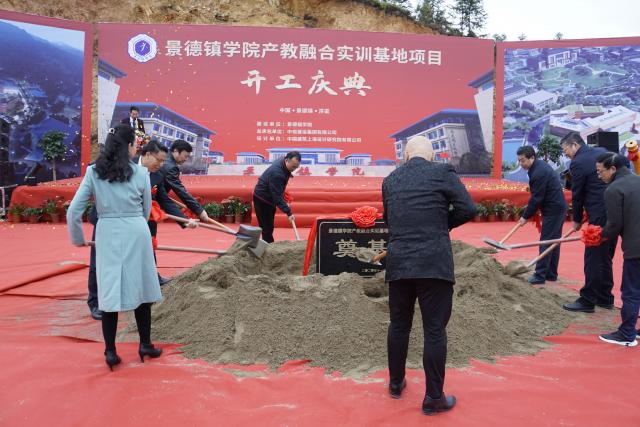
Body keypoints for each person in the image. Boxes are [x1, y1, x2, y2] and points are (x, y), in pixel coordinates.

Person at [381, 136, 476, 415]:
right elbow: (468, 208)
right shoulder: (442, 172)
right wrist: (441, 225)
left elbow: (389, 218)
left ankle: (395, 383)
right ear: (432, 156)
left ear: (406, 156)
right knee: (434, 330)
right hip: (434, 263)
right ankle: (434, 397)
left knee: (399, 325)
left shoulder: (391, 180)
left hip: (399, 262)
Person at [67, 124, 162, 371]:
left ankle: (110, 351)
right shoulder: (140, 173)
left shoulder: (93, 172)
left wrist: (78, 238)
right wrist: (135, 220)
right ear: (129, 146)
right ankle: (145, 344)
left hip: (107, 231)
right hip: (136, 230)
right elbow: (146, 209)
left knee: (108, 290)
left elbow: (73, 211)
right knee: (143, 289)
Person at [560, 132, 617, 313]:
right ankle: (605, 297)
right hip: (615, 212)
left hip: (599, 214)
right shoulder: (601, 151)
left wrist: (576, 219)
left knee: (593, 256)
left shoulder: (578, 162)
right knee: (605, 256)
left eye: (566, 150)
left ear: (574, 145)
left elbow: (577, 194)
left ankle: (587, 300)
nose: (566, 154)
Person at [594, 153, 640, 346]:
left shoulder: (613, 189)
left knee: (631, 291)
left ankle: (627, 334)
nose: (599, 176)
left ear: (613, 169)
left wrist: (599, 235)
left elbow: (614, 224)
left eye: (600, 172)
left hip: (636, 248)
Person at [516, 145, 567, 284]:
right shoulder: (537, 167)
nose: (521, 164)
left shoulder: (538, 172)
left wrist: (525, 216)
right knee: (553, 242)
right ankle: (551, 273)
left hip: (554, 209)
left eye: (523, 160)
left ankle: (540, 275)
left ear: (532, 157)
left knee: (546, 241)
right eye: (519, 161)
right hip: (556, 207)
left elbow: (537, 198)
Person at [252, 151, 301, 243]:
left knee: (269, 225)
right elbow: (277, 197)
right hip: (262, 199)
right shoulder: (277, 173)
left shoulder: (283, 163)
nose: (294, 169)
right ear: (287, 160)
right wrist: (288, 212)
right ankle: (268, 246)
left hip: (270, 195)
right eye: (293, 166)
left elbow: (276, 189)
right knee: (266, 227)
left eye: (296, 167)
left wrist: (281, 191)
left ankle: (268, 244)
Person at [160, 139, 210, 223]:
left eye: (188, 157)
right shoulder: (171, 167)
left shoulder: (164, 159)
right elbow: (180, 190)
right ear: (176, 151)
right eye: (185, 156)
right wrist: (199, 210)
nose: (186, 159)